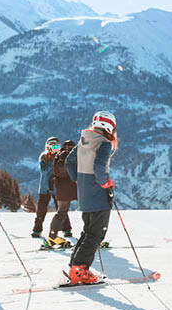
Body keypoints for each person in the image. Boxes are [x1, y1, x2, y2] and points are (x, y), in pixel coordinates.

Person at [64, 111, 117, 284]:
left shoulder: (83, 140)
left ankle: (75, 266)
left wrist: (78, 179)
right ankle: (79, 270)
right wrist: (105, 183)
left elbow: (69, 162)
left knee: (88, 232)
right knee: (95, 234)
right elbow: (99, 167)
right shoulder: (104, 143)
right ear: (109, 126)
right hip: (98, 195)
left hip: (84, 193)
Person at [44, 139, 77, 249]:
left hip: (61, 189)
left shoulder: (58, 156)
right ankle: (91, 236)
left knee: (61, 212)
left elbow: (53, 173)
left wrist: (51, 187)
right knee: (89, 211)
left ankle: (52, 237)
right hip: (75, 187)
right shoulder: (73, 155)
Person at [31, 137, 60, 238]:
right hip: (45, 187)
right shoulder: (44, 157)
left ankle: (67, 229)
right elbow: (44, 172)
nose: (56, 149)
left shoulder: (60, 156)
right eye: (54, 147)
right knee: (41, 210)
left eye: (58, 146)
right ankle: (37, 230)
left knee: (60, 209)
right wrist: (53, 161)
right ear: (48, 147)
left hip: (57, 187)